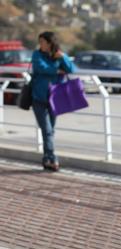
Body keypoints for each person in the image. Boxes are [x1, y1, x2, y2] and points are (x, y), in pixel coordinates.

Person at [31, 31, 74, 171]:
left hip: (55, 99)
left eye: (42, 42)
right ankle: (52, 158)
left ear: (50, 43)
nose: (40, 44)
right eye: (40, 42)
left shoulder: (59, 55)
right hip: (39, 98)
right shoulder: (36, 55)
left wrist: (62, 58)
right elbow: (41, 68)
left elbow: (71, 69)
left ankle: (46, 159)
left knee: (50, 130)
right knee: (47, 130)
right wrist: (57, 70)